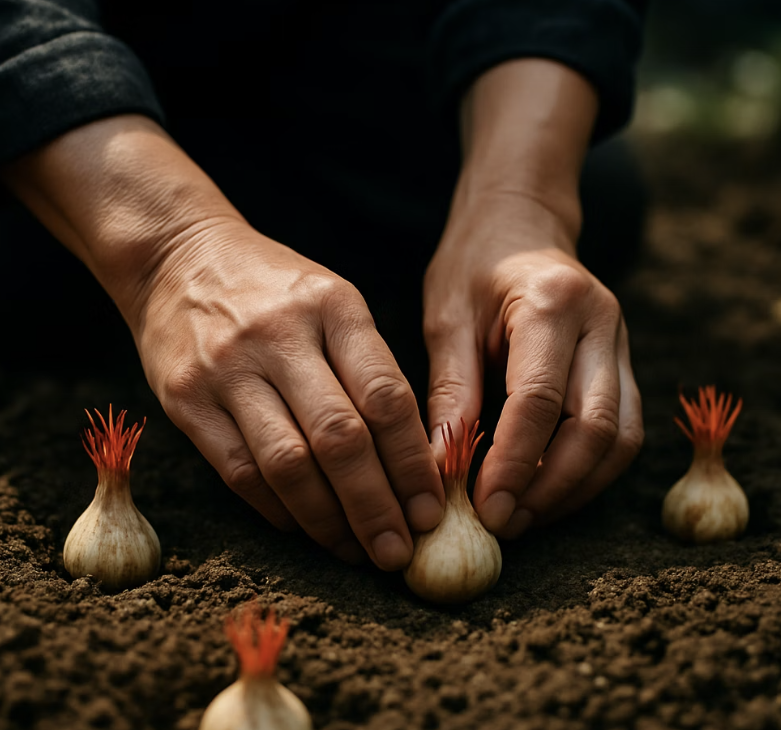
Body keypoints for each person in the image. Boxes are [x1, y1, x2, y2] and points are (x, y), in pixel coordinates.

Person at [0, 0, 647, 571]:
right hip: (94, 105)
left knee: (600, 192)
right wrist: (171, 249)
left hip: (332, 57)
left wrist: (523, 198)